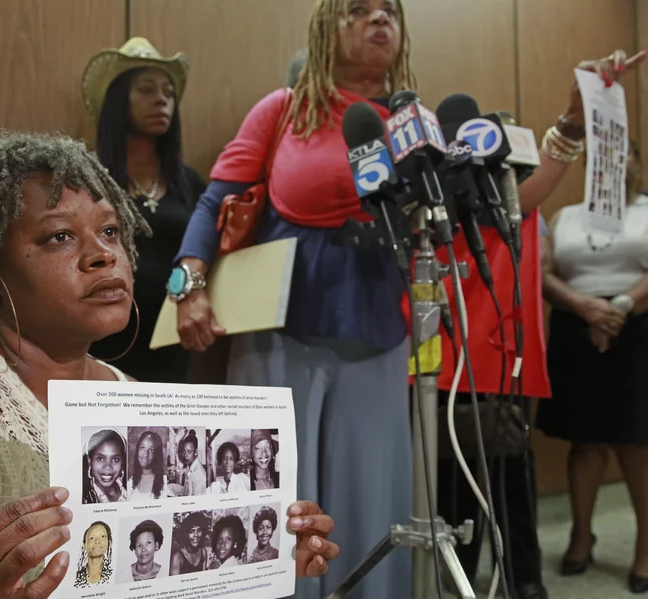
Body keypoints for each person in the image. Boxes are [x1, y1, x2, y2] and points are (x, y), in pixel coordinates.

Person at [0, 132, 338, 598]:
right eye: (60, 236)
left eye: (110, 231)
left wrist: (260, 556)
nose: (103, 255)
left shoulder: (124, 390)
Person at [172, 2, 416, 596]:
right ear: (324, 29)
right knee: (269, 499)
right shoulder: (283, 111)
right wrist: (189, 287)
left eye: (390, 10)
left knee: (369, 498)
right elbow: (215, 200)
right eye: (359, 9)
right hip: (276, 332)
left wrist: (562, 139)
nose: (379, 19)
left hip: (377, 332)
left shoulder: (412, 121)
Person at [426, 49, 647, 599]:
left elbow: (546, 169)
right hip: (432, 374)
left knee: (510, 492)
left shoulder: (507, 204)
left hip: (500, 369)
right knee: (449, 497)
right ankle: (459, 585)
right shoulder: (422, 204)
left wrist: (574, 118)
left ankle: (522, 583)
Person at [536, 139, 648, 594]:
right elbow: (543, 273)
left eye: (622, 152)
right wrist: (587, 308)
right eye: (601, 154)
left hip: (643, 332)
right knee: (583, 440)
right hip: (576, 329)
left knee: (639, 442)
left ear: (637, 163)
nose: (612, 161)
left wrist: (619, 308)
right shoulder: (564, 216)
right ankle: (581, 535)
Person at [83, 37, 207, 383]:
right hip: (104, 343)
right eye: (147, 89)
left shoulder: (189, 182)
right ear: (118, 100)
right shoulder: (89, 178)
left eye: (168, 92)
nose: (161, 100)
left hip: (173, 343)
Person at [83, 429, 128, 503]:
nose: (108, 467)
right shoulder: (84, 498)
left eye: (115, 459)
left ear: (122, 462)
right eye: (100, 459)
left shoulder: (130, 492)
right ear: (89, 461)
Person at [127, 430, 168, 500]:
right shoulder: (130, 484)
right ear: (137, 450)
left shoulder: (165, 483)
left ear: (156, 454)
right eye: (142, 448)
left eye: (151, 450)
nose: (145, 454)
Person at [74, 522, 114, 588]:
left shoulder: (113, 574)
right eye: (92, 538)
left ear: (109, 543)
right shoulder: (77, 577)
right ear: (84, 545)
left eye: (103, 536)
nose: (97, 541)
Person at [170, 511, 211, 575]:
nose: (196, 535)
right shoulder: (177, 558)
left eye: (199, 530)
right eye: (192, 531)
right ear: (185, 534)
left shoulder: (203, 551)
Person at [169, 430, 207, 496]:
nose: (185, 455)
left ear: (196, 452)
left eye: (189, 451)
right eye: (184, 451)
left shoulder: (198, 474)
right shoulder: (190, 466)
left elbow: (196, 501)